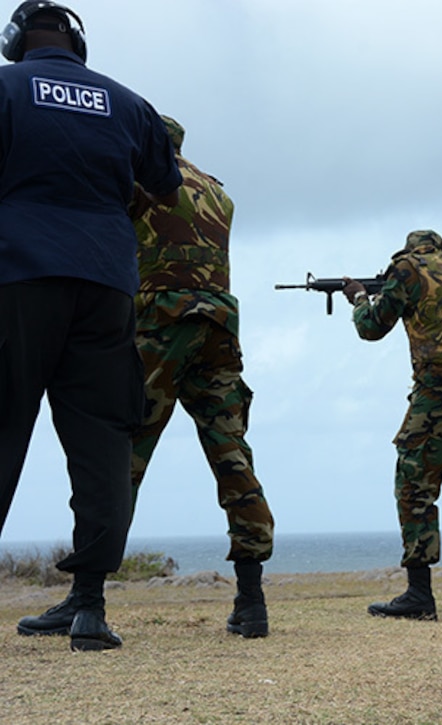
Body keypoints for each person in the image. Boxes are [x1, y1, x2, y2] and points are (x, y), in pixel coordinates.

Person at [1, 1, 180, 652]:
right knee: (104, 439)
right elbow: (166, 186)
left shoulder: (7, 88)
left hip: (19, 277)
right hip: (107, 285)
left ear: (17, 40)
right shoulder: (129, 104)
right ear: (77, 44)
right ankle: (91, 607)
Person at [126, 116, 274, 638]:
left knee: (123, 450)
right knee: (232, 455)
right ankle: (251, 601)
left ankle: (86, 597)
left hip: (161, 321)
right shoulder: (217, 190)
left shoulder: (138, 178)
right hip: (220, 325)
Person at [343, 230, 442, 623]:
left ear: (411, 250)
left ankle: (419, 593)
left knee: (414, 487)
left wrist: (361, 297)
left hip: (440, 387)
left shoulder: (407, 269)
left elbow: (372, 328)